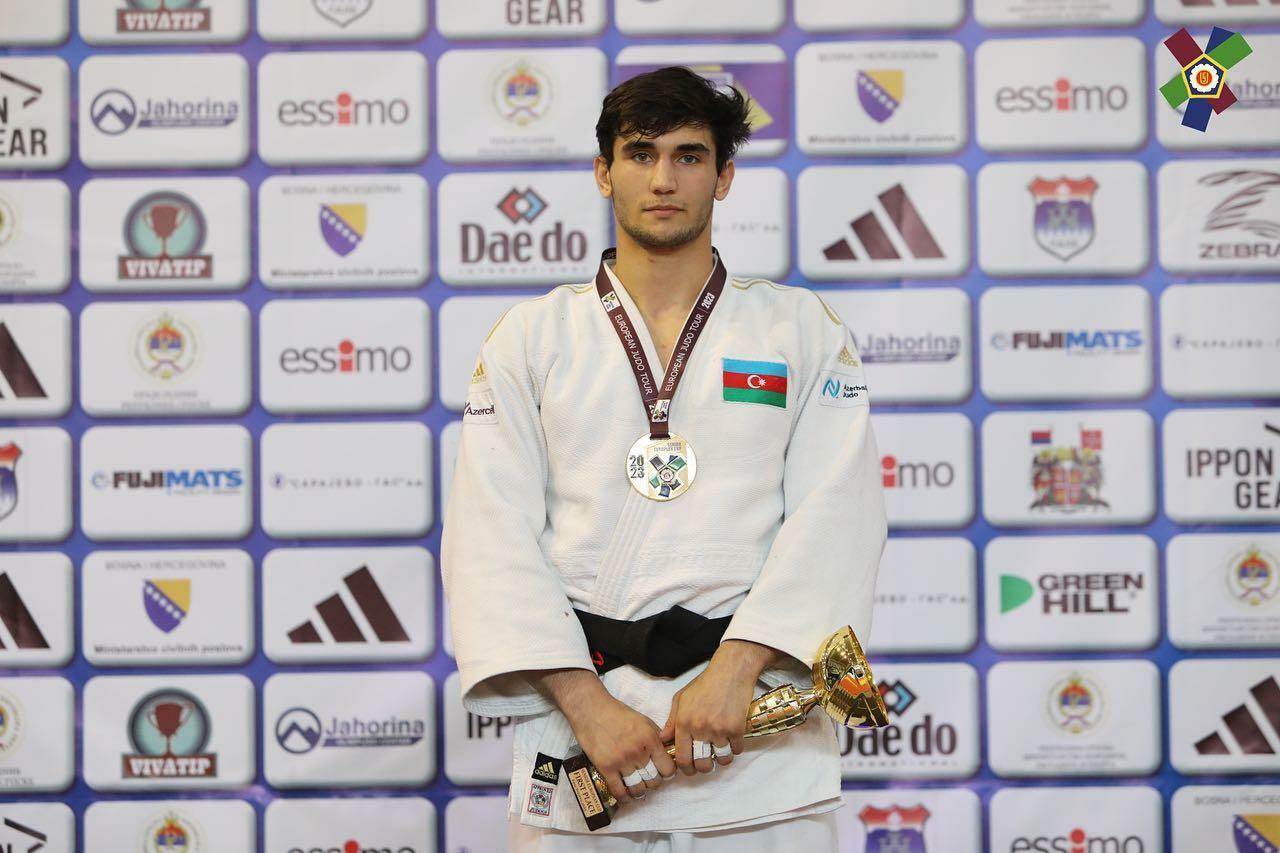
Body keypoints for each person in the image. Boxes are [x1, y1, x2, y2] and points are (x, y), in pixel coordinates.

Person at [441, 66, 887, 852]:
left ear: (724, 177)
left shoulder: (800, 330)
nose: (663, 179)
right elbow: (490, 536)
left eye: (689, 156)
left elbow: (837, 515)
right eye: (641, 153)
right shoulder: (531, 338)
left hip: (759, 749)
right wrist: (588, 705)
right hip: (585, 746)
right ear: (603, 171)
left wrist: (737, 670)